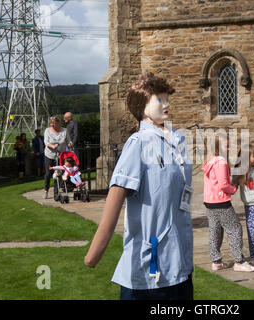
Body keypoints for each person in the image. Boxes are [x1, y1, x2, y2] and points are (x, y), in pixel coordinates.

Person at [84, 72, 194, 300]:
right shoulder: (138, 144)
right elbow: (116, 196)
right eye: (160, 99)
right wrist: (95, 252)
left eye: (167, 98)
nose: (167, 104)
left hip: (181, 265)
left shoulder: (178, 141)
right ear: (142, 105)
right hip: (149, 273)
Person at [202, 131, 254, 272]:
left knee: (215, 231)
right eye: (226, 146)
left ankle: (216, 261)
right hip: (221, 202)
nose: (228, 149)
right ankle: (239, 262)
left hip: (209, 202)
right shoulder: (221, 162)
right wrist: (232, 189)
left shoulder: (210, 160)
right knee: (235, 229)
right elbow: (223, 185)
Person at [43, 116, 70, 200]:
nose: (52, 125)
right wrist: (53, 146)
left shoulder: (65, 131)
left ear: (58, 123)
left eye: (54, 123)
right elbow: (46, 142)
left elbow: (68, 141)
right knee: (48, 174)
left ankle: (56, 193)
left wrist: (70, 144)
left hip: (60, 156)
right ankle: (46, 190)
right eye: (51, 123)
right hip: (49, 155)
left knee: (58, 174)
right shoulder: (47, 130)